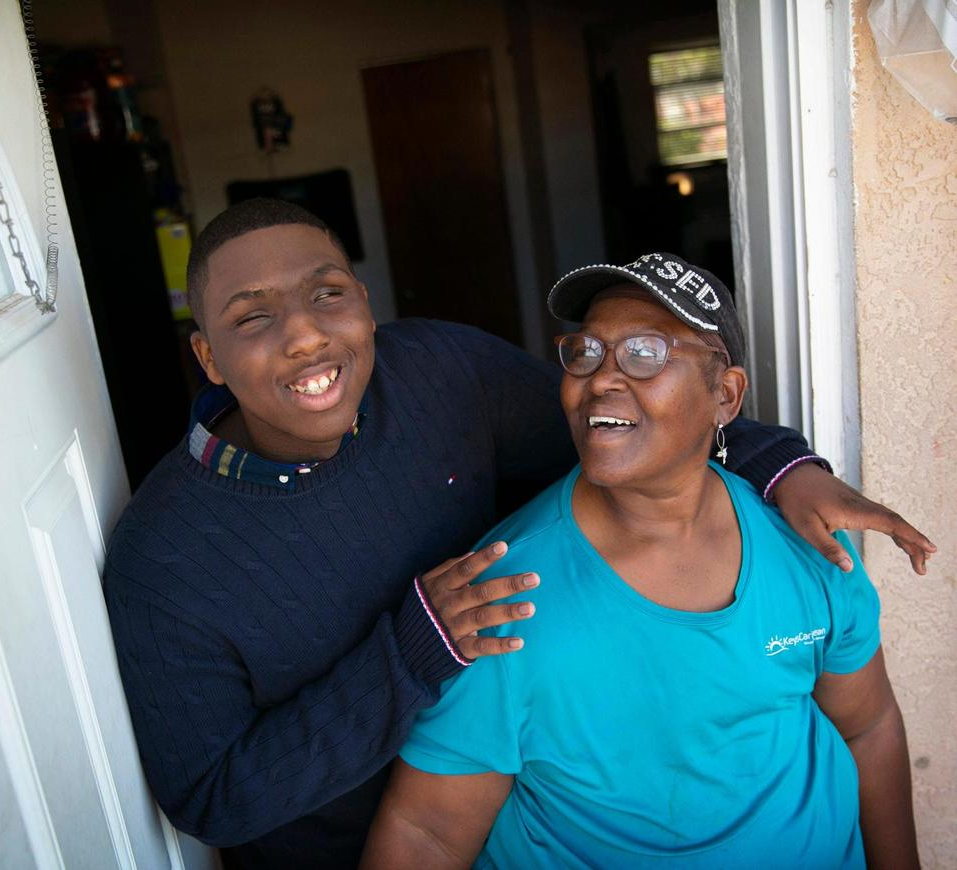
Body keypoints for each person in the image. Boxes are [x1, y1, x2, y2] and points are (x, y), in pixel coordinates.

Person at [102, 201, 932, 869]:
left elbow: (628, 423)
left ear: (364, 301)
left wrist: (790, 469)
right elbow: (213, 798)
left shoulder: (437, 375)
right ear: (208, 358)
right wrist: (411, 654)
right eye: (254, 318)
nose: (307, 334)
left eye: (328, 294)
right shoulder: (165, 558)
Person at [362, 254, 919, 869]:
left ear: (725, 395)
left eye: (646, 352)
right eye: (585, 352)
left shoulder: (807, 546)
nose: (601, 378)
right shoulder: (501, 593)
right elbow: (428, 831)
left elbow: (868, 728)